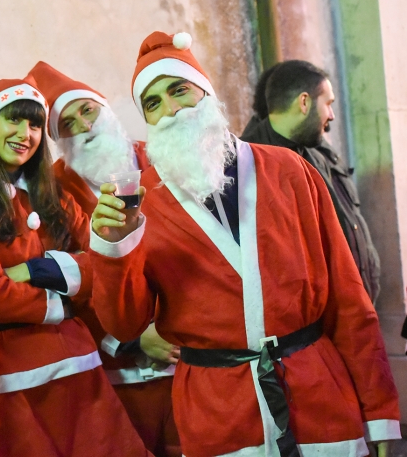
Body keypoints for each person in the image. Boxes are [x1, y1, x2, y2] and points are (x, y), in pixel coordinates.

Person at [89, 31, 401, 456]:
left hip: (318, 399)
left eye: (179, 90)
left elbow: (348, 302)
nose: (170, 110)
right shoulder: (143, 199)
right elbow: (124, 323)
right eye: (153, 103)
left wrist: (380, 417)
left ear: (206, 91)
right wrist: (115, 246)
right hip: (219, 415)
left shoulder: (289, 171)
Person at [0, 76, 150, 456]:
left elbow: (103, 264)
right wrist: (64, 300)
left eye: (34, 124)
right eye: (13, 121)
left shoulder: (56, 198)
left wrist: (41, 270)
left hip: (81, 369)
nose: (25, 133)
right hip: (12, 375)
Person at [28, 60, 181, 457]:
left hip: (193, 364)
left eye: (87, 111)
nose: (83, 126)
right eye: (67, 124)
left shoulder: (163, 158)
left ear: (105, 108)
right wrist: (131, 336)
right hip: (119, 382)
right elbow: (66, 283)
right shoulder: (52, 194)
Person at [241, 60, 381, 302]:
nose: (332, 115)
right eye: (328, 104)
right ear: (304, 102)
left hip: (354, 307)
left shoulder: (316, 153)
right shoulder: (248, 164)